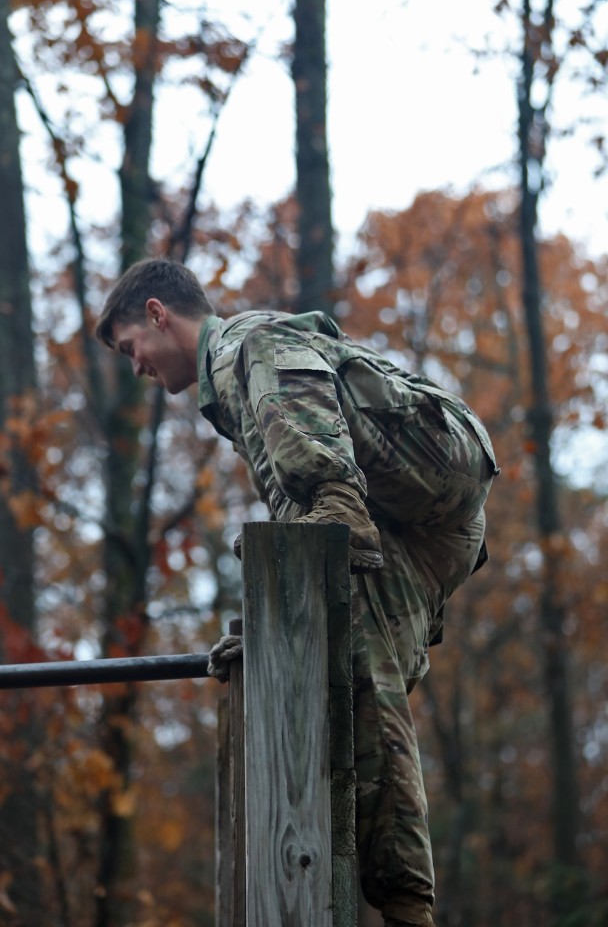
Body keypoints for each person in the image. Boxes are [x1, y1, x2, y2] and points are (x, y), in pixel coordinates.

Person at [96, 257, 499, 927]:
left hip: (433, 468)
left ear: (159, 315)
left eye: (130, 346)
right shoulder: (240, 385)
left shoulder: (246, 344)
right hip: (423, 529)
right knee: (361, 681)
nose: (135, 366)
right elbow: (303, 512)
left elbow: (314, 482)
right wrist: (273, 633)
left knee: (323, 537)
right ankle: (407, 907)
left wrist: (332, 508)